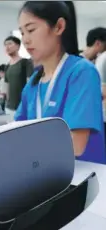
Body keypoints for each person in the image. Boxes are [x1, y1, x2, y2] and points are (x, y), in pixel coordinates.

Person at [15, 1, 105, 164]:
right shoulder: (33, 84)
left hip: (83, 178)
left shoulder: (81, 72)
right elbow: (15, 131)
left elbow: (76, 144)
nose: (25, 40)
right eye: (22, 33)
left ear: (58, 27)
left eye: (31, 30)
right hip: (45, 171)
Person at [0, 36, 33, 116]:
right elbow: (6, 86)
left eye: (10, 44)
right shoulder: (7, 66)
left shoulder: (25, 62)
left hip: (22, 107)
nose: (7, 47)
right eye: (5, 45)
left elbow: (30, 85)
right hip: (9, 107)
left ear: (18, 46)